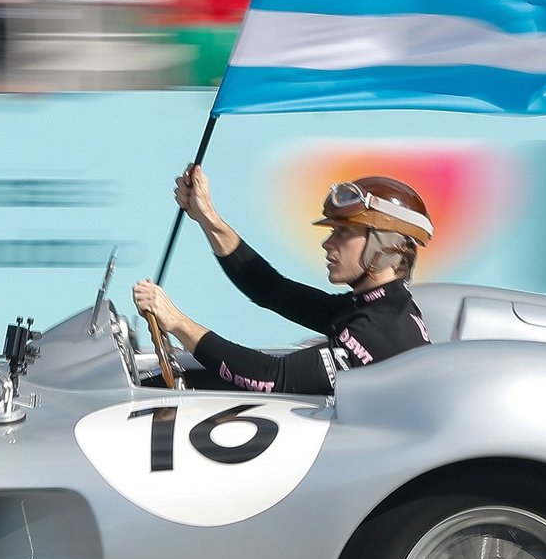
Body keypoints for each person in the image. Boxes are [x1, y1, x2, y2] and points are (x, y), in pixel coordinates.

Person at [132, 166, 432, 396]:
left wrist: (178, 323)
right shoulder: (379, 306)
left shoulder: (381, 329)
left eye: (342, 233)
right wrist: (208, 217)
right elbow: (270, 289)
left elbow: (272, 378)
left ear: (384, 244)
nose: (327, 244)